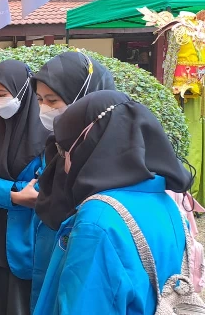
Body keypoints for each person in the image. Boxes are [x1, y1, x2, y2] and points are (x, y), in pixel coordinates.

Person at [34, 90, 192, 314]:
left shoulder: (97, 220)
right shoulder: (168, 206)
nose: (63, 161)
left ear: (86, 147)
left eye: (63, 150)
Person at [29, 51, 116, 312]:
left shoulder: (110, 159)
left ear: (85, 97)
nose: (44, 109)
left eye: (53, 100)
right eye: (40, 100)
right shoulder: (56, 146)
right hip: (48, 259)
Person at [0, 60, 50, 314]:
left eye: (2, 95)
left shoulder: (49, 133)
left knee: (19, 305)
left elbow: (45, 186)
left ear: (23, 91)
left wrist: (4, 190)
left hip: (27, 239)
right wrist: (13, 193)